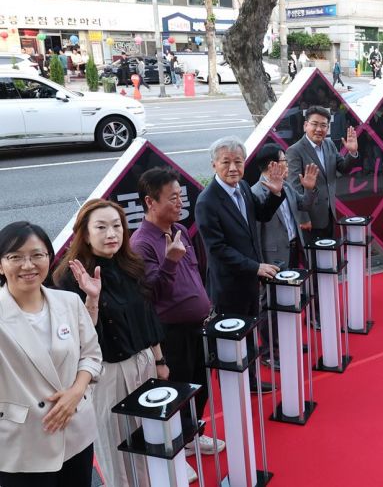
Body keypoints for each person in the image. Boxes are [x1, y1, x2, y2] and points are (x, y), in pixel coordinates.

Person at [53, 199, 167, 487]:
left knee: (148, 438)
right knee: (115, 446)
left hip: (142, 363)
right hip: (105, 372)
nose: (111, 234)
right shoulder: (69, 277)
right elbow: (74, 338)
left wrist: (160, 359)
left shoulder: (131, 264)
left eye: (116, 226)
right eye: (101, 227)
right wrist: (91, 298)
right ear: (85, 234)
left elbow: (147, 315)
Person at [130, 168, 224, 484]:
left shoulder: (180, 228)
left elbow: (195, 274)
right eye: (173, 198)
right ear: (150, 202)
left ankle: (194, 434)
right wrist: (169, 260)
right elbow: (149, 294)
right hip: (170, 333)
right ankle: (177, 450)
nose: (180, 202)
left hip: (198, 324)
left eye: (181, 196)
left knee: (200, 385)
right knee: (177, 391)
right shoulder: (141, 243)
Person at [0, 222, 102, 487]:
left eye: (37, 255)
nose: (28, 265)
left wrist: (76, 392)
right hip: (23, 442)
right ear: (1, 265)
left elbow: (91, 354)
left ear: (49, 258)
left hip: (76, 432)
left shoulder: (68, 302)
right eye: (15, 257)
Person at [195, 137, 287, 393]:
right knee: (233, 338)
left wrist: (276, 192)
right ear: (214, 165)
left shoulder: (244, 188)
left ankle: (252, 381)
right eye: (226, 162)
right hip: (228, 284)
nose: (233, 168)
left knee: (249, 333)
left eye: (238, 162)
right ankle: (236, 386)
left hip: (249, 278)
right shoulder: (207, 201)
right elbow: (217, 249)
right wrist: (254, 266)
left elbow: (262, 214)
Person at [251, 145, 319, 368]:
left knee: (289, 300)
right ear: (272, 165)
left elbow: (304, 204)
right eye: (283, 161)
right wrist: (260, 263)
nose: (287, 165)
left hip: (291, 249)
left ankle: (287, 342)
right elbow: (256, 235)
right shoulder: (255, 193)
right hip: (270, 259)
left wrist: (309, 189)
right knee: (269, 306)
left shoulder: (287, 186)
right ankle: (269, 352)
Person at [286, 105, 359, 240]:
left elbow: (343, 168)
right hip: (310, 219)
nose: (319, 129)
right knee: (314, 259)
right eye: (314, 124)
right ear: (305, 125)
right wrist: (303, 218)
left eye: (323, 125)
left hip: (329, 213)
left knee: (328, 257)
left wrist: (352, 152)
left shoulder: (329, 144)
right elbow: (294, 188)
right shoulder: (294, 151)